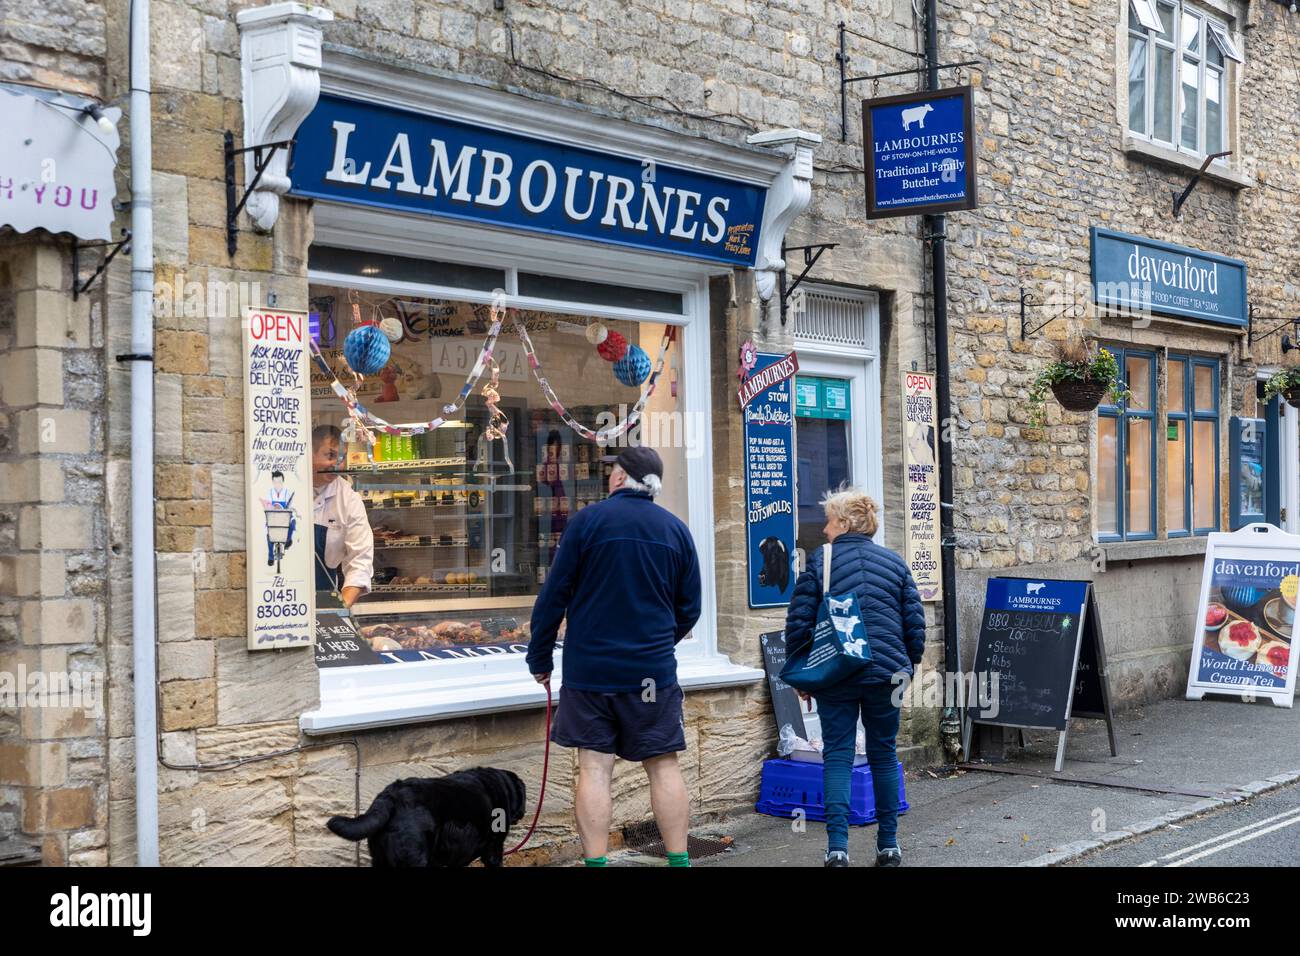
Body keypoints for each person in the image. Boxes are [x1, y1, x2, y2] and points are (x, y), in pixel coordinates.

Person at [526, 446, 701, 868]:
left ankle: (596, 864)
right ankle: (679, 861)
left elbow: (554, 597)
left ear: (622, 479)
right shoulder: (676, 531)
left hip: (591, 673)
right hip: (651, 675)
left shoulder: (586, 523)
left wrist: (540, 657)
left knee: (595, 769)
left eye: (613, 472)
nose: (609, 478)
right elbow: (690, 608)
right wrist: (657, 643)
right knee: (663, 766)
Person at [783, 487, 926, 868]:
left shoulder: (820, 561)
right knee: (883, 754)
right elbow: (915, 625)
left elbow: (798, 622)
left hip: (838, 672)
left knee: (839, 757)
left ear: (845, 523)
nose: (826, 529)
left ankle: (838, 850)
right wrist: (907, 667)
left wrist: (804, 675)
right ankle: (889, 846)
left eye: (830, 521)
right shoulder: (895, 564)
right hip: (887, 675)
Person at [311, 424, 374, 608]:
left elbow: (360, 558)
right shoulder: (286, 489)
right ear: (310, 453)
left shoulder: (348, 499)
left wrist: (341, 608)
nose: (338, 464)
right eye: (330, 456)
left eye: (342, 457)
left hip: (325, 601)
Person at [263, 470, 296, 567]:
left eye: (280, 482)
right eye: (275, 482)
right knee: (269, 534)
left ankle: (288, 540)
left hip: (285, 517)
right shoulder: (270, 493)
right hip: (273, 518)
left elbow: (291, 507)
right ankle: (271, 557)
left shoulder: (287, 493)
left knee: (293, 524)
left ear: (283, 481)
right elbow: (268, 506)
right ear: (273, 482)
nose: (278, 484)